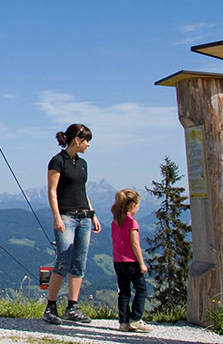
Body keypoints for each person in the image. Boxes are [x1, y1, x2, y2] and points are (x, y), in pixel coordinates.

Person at [42, 123, 98, 325]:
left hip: (84, 217)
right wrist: (56, 216)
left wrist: (92, 215)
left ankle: (72, 307)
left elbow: (82, 190)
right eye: (87, 140)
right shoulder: (57, 161)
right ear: (77, 140)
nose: (89, 145)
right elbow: (52, 191)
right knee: (64, 260)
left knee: (79, 263)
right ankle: (51, 307)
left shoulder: (82, 164)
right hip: (66, 216)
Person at [111, 189, 151, 332]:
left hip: (118, 261)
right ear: (132, 205)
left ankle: (123, 322)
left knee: (124, 292)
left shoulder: (116, 221)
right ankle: (136, 318)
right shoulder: (131, 222)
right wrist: (142, 263)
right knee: (141, 289)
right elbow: (135, 244)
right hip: (131, 261)